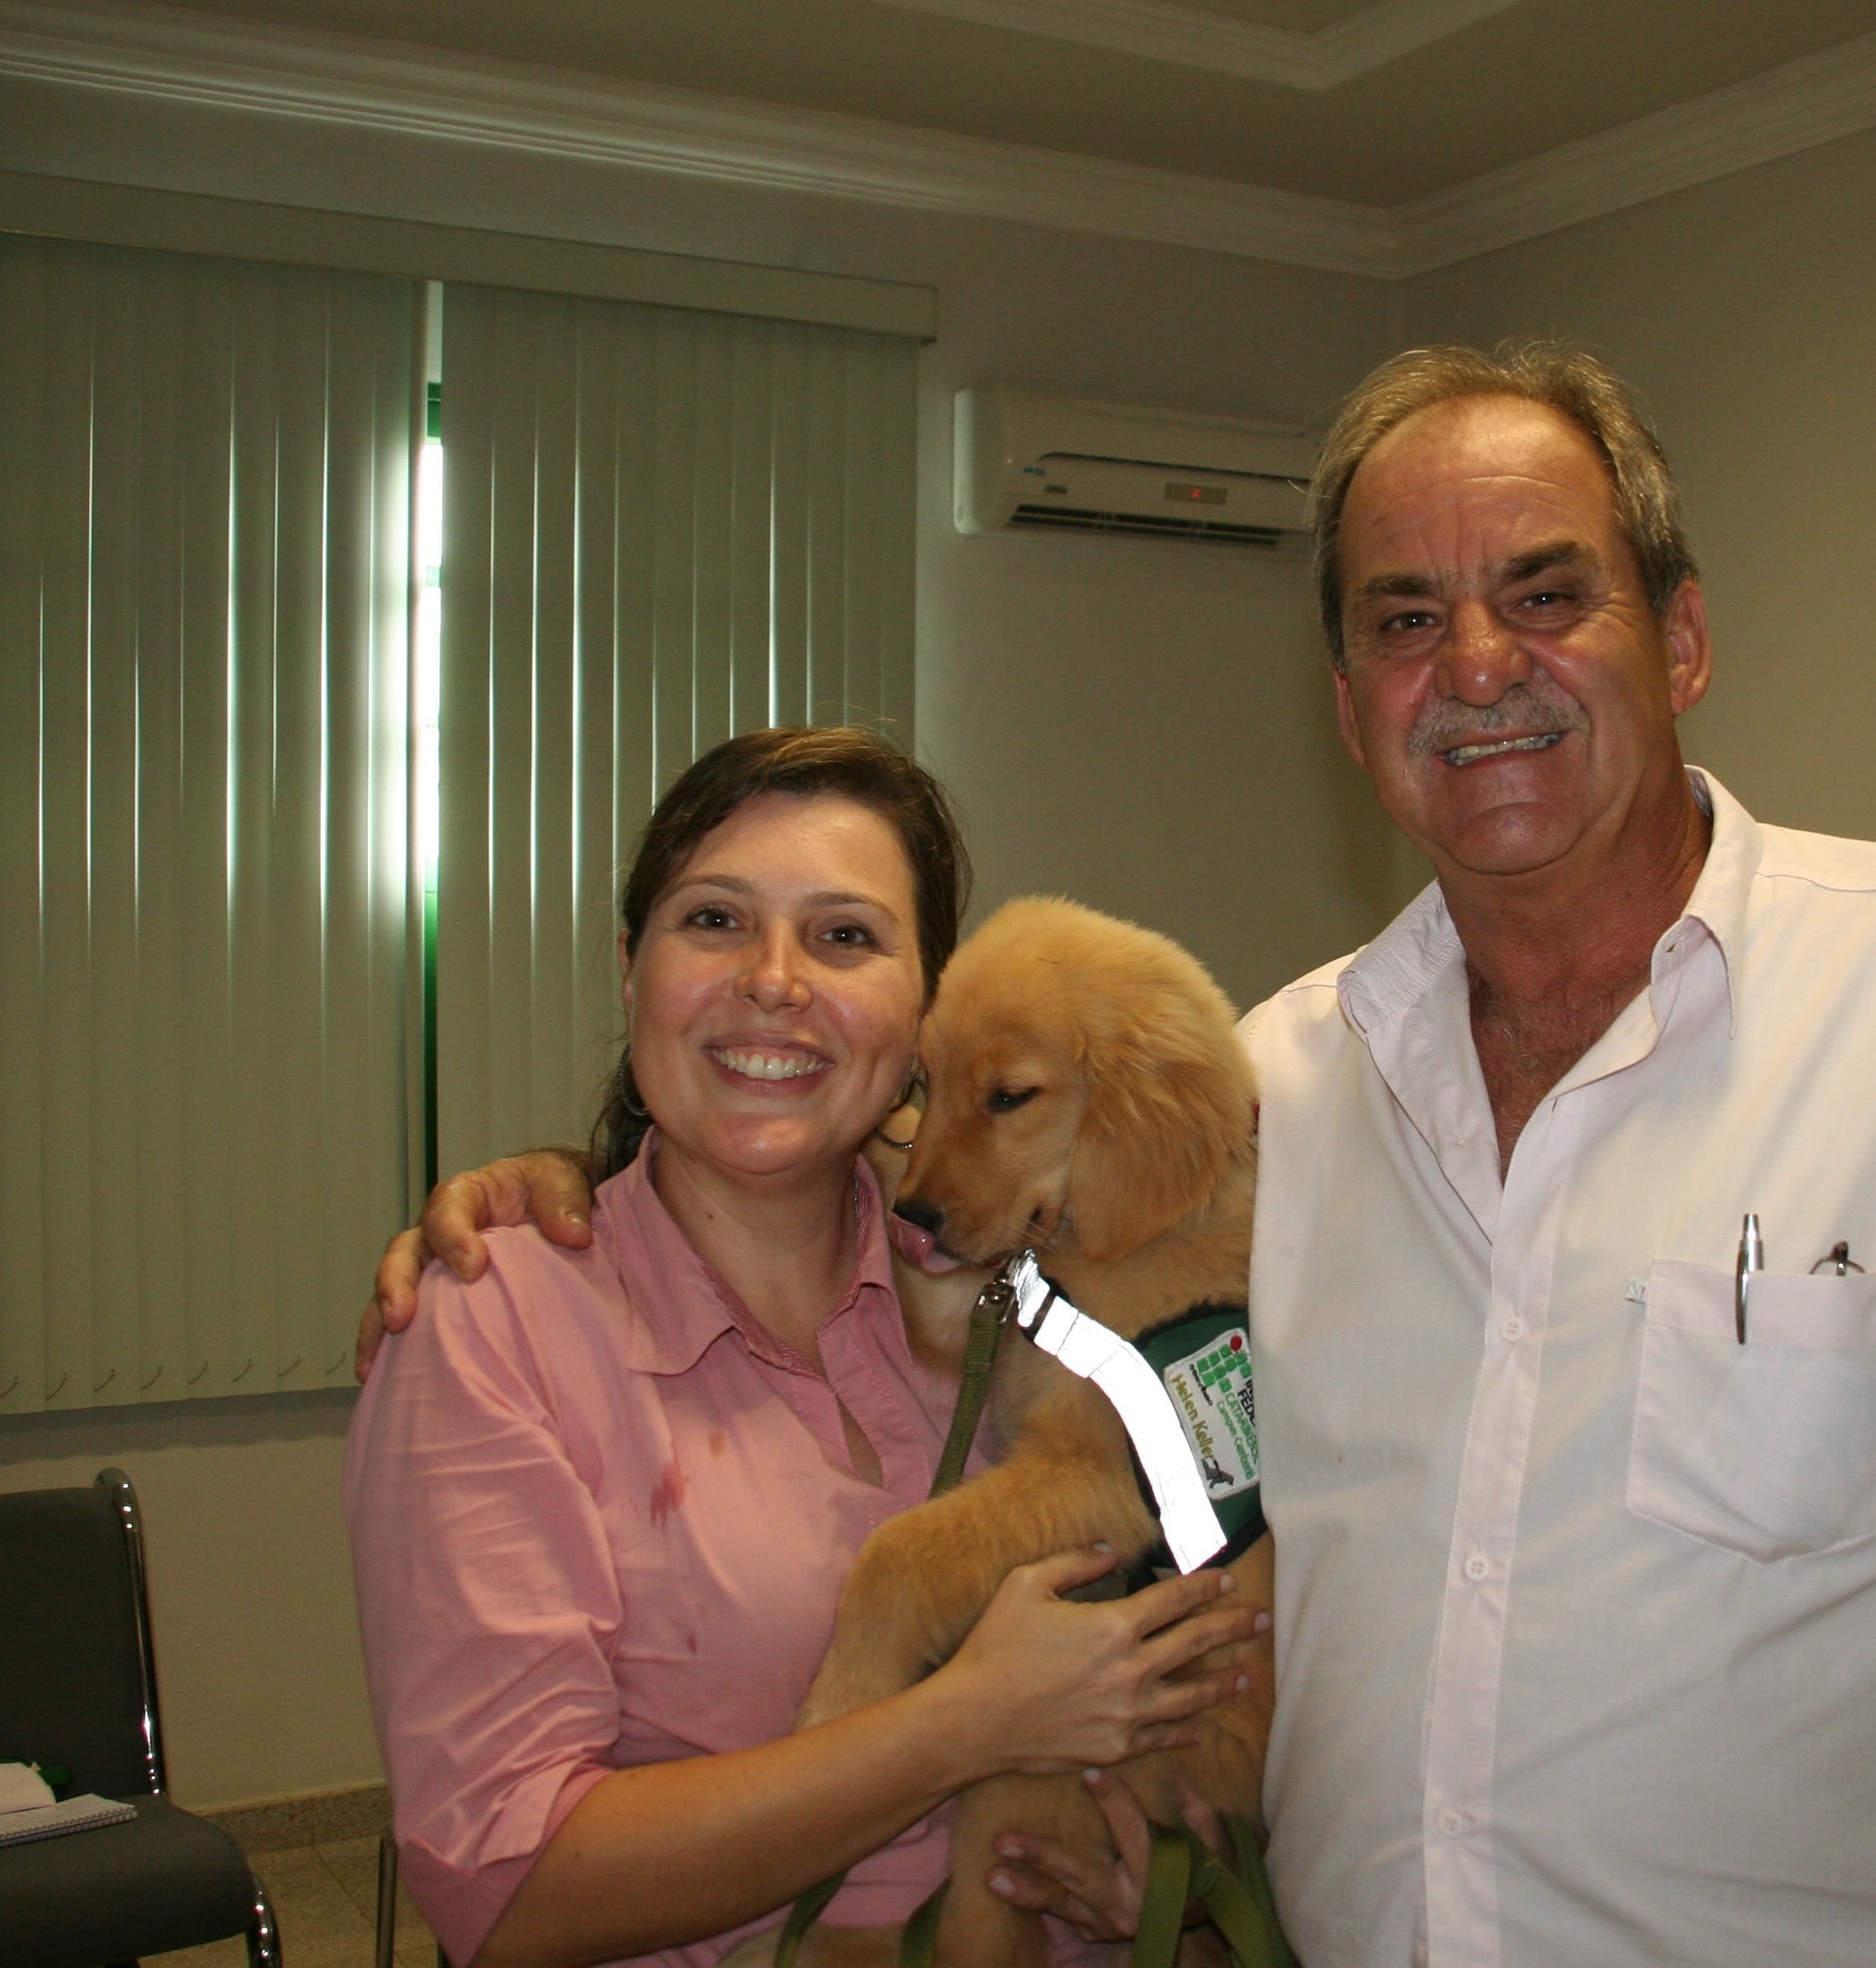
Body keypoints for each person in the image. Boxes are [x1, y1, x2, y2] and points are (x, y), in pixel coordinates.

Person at [364, 348, 1876, 1966]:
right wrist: (545, 1189)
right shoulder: (1285, 1090)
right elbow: (1158, 1441)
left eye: (1545, 592)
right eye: (1404, 619)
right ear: (1348, 707)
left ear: (1682, 635)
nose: (1474, 664)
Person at [344, 727, 1263, 1968]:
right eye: (714, 921)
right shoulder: (489, 1325)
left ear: (926, 1009)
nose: (774, 981)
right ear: (631, 971)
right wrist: (964, 1724)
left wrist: (1182, 1880)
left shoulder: (1026, 1256)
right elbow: (507, 1896)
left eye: (844, 937)